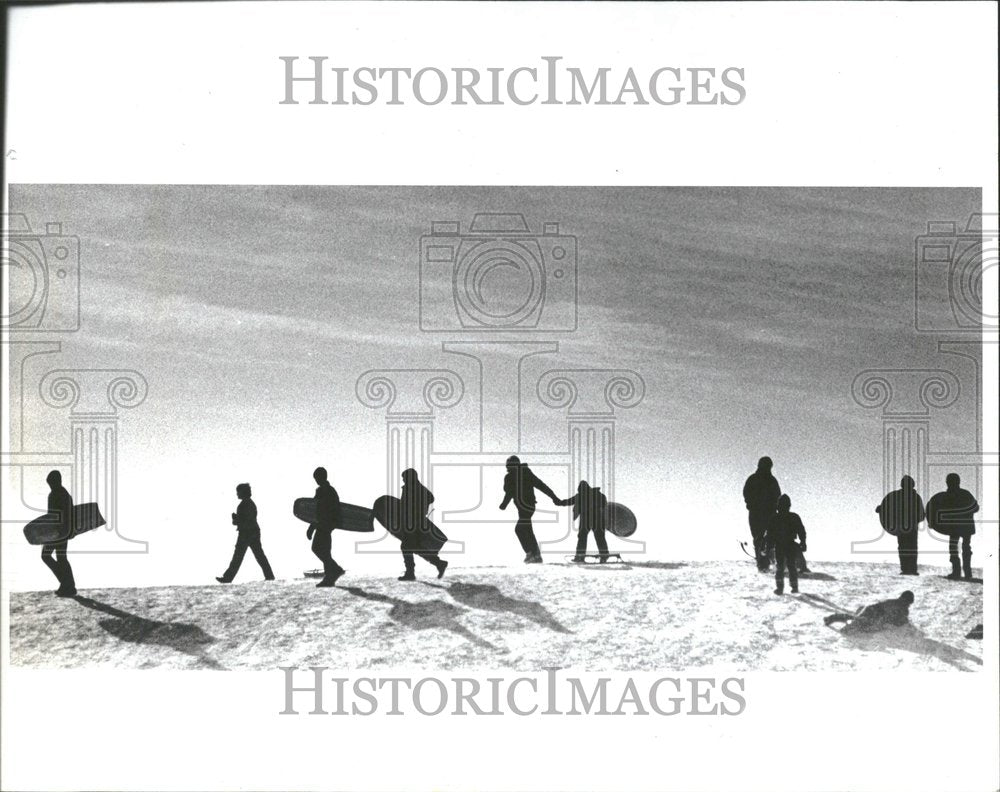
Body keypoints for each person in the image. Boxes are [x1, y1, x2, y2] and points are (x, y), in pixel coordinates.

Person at [499, 455, 561, 564]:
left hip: (526, 506)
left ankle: (530, 553)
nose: (508, 468)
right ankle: (536, 555)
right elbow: (540, 485)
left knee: (519, 529)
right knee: (527, 529)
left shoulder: (521, 474)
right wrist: (554, 497)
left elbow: (540, 485)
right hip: (526, 506)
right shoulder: (519, 474)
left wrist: (504, 504)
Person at [216, 483, 275, 584]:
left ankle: (227, 578)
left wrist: (235, 519)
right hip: (252, 531)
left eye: (238, 492)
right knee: (259, 555)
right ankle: (269, 576)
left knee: (239, 556)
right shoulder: (250, 504)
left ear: (243, 492)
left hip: (246, 533)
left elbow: (245, 520)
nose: (237, 494)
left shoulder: (245, 505)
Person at [398, 468, 447, 581]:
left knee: (406, 547)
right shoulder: (414, 487)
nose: (403, 480)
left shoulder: (413, 488)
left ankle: (411, 573)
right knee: (415, 547)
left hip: (414, 523)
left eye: (404, 477)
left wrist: (418, 509)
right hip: (413, 521)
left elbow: (430, 498)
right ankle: (438, 563)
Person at [927, 473, 978, 580]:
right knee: (962, 548)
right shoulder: (964, 494)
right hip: (963, 527)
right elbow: (975, 507)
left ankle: (958, 572)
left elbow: (975, 508)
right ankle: (964, 573)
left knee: (956, 548)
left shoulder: (948, 496)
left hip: (957, 527)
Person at [876, 475, 925, 575]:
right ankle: (909, 569)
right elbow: (921, 515)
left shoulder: (904, 497)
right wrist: (882, 508)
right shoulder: (913, 497)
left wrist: (882, 509)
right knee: (910, 548)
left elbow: (921, 515)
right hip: (908, 528)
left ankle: (908, 569)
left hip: (905, 528)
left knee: (906, 547)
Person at [307, 467, 346, 587]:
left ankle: (334, 571)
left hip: (324, 524)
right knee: (324, 550)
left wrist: (312, 527)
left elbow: (319, 510)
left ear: (322, 477)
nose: (316, 480)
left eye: (317, 478)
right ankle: (330, 577)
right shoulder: (327, 490)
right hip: (325, 524)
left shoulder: (325, 491)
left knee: (318, 549)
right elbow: (317, 509)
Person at [40, 470, 76, 597]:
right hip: (64, 532)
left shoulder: (54, 494)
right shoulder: (66, 494)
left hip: (56, 533)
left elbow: (52, 517)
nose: (50, 485)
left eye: (50, 483)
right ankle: (68, 585)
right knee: (61, 558)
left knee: (46, 556)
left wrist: (47, 536)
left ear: (56, 481)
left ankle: (67, 584)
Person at [743, 456, 781, 572]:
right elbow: (746, 493)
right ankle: (763, 563)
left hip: (766, 515)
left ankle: (767, 562)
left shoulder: (768, 480)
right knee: (760, 538)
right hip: (758, 514)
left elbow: (777, 497)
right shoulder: (755, 479)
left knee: (766, 539)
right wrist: (750, 504)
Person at [764, 494, 807, 595]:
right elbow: (801, 531)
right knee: (790, 565)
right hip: (789, 544)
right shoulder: (793, 517)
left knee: (781, 566)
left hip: (781, 545)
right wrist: (803, 542)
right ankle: (794, 587)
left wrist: (768, 546)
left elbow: (769, 535)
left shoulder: (775, 518)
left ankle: (780, 588)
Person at [559, 480, 610, 563]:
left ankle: (580, 556)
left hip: (586, 519)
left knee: (582, 537)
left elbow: (568, 501)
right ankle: (604, 555)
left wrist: (558, 502)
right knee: (599, 537)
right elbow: (604, 504)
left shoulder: (580, 496)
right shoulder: (598, 494)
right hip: (598, 519)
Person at [824, 590, 914, 634]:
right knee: (858, 622)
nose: (908, 605)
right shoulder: (897, 605)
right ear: (904, 600)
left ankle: (833, 618)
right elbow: (886, 617)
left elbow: (900, 621)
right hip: (873, 612)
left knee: (859, 623)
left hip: (872, 611)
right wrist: (877, 626)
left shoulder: (901, 607)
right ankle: (833, 618)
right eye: (908, 603)